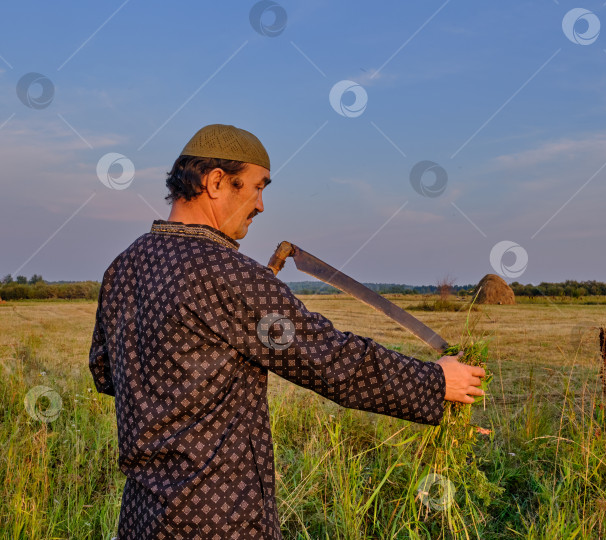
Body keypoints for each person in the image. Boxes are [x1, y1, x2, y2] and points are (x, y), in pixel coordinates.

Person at [89, 124, 486, 539]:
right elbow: (327, 358)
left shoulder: (124, 265)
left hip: (141, 516)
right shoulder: (225, 272)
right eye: (258, 187)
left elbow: (105, 371)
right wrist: (435, 381)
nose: (261, 205)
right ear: (216, 181)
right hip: (217, 518)